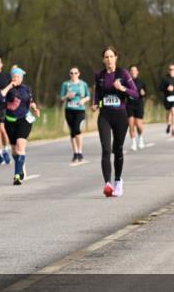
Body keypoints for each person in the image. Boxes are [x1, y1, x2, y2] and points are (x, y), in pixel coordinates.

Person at [91, 47, 138, 197]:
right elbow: (97, 93)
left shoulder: (123, 73)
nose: (109, 59)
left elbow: (135, 94)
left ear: (116, 58)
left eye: (111, 56)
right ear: (103, 59)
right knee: (105, 149)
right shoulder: (99, 75)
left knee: (117, 149)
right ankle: (107, 184)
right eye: (106, 57)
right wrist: (95, 103)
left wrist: (122, 88)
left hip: (120, 115)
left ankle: (118, 181)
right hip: (105, 115)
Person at [0, 66, 41, 185]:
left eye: (18, 77)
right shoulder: (7, 89)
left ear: (22, 78)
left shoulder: (26, 89)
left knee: (20, 146)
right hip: (10, 121)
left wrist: (35, 109)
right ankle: (21, 166)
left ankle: (17, 175)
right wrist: (10, 85)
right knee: (14, 150)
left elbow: (30, 101)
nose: (16, 79)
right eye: (14, 77)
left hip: (24, 120)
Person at [59, 67, 90, 162]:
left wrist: (83, 100)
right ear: (69, 74)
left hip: (80, 109)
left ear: (79, 74)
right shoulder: (66, 84)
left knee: (77, 129)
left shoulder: (83, 84)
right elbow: (61, 98)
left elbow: (88, 96)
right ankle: (75, 153)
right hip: (69, 109)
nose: (73, 75)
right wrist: (67, 96)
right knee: (72, 131)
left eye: (75, 73)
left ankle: (80, 152)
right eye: (71, 73)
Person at [127, 65, 148, 151]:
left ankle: (140, 138)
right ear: (129, 72)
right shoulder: (126, 82)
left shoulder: (142, 82)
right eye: (131, 70)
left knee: (139, 125)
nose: (133, 72)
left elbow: (146, 93)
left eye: (135, 70)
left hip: (139, 105)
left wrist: (144, 93)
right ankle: (133, 143)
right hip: (129, 105)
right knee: (131, 125)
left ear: (137, 72)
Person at [159, 64, 174, 137]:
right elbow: (160, 89)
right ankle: (168, 124)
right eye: (170, 69)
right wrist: (166, 88)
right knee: (169, 112)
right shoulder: (165, 79)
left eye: (173, 69)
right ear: (168, 70)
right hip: (167, 98)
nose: (171, 71)